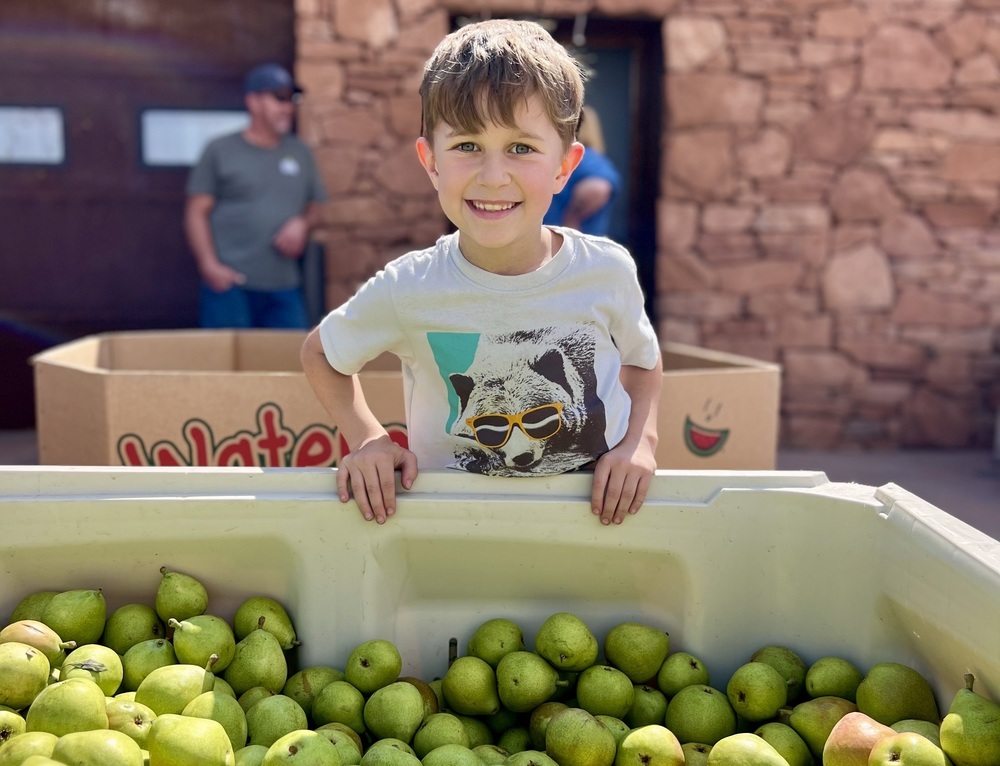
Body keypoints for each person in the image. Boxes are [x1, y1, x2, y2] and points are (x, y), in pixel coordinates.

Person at [300, 19, 662, 526]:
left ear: (565, 166)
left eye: (521, 148)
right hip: (451, 533)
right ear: (431, 162)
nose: (494, 178)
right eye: (467, 146)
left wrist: (640, 443)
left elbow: (643, 363)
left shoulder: (606, 271)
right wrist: (367, 440)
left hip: (592, 528)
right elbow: (322, 353)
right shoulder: (409, 287)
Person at [185, 63, 328, 329]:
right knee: (228, 369)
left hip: (284, 286)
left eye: (292, 99)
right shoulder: (220, 150)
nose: (288, 107)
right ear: (253, 101)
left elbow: (316, 208)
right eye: (279, 98)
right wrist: (209, 266)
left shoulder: (300, 153)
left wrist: (302, 223)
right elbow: (196, 211)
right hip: (231, 285)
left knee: (290, 364)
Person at [543, 105, 621, 237]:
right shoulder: (592, 158)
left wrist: (572, 218)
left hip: (574, 244)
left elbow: (598, 188)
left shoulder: (586, 157)